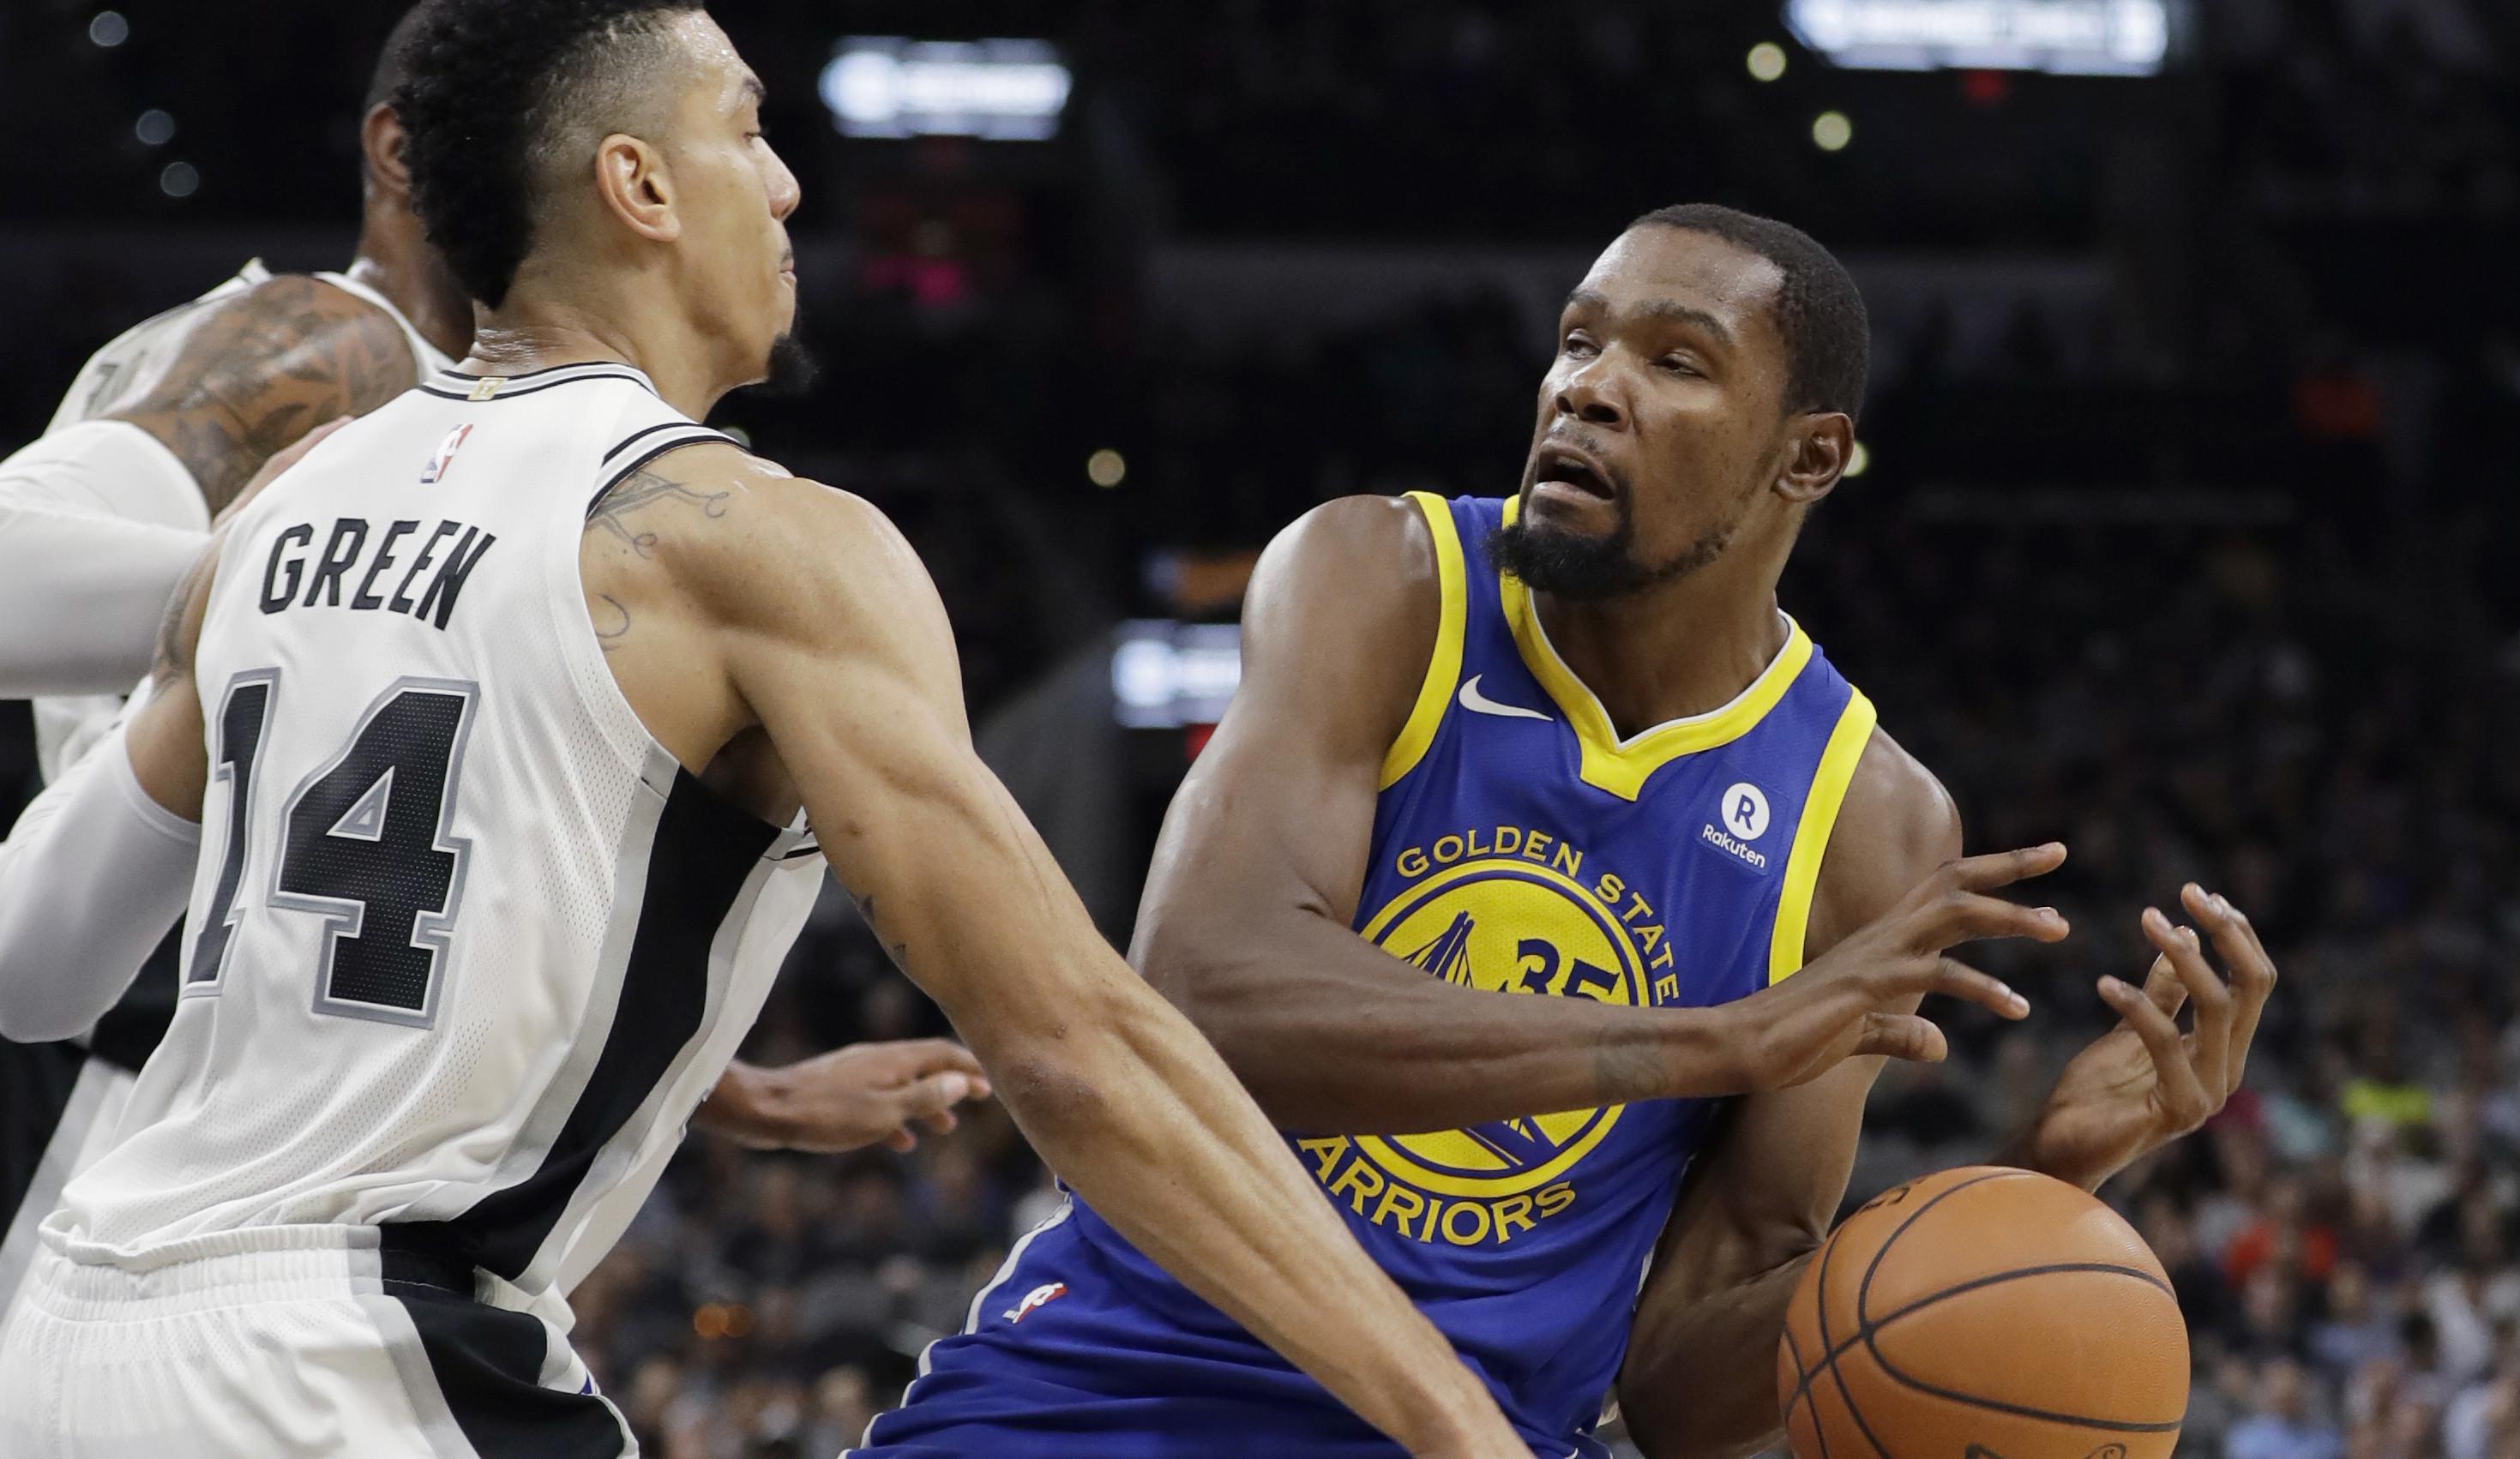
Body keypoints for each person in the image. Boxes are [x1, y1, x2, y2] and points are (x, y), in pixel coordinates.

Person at [0, 2, 1524, 1455]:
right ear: (639, 185)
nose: (791, 184)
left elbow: (39, 958)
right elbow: (1075, 1048)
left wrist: (722, 1090)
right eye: (749, 129)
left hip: (67, 1327)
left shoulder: (292, 501)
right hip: (350, 1367)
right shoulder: (746, 536)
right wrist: (1454, 1416)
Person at [863, 205, 2279, 1458]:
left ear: (1809, 458)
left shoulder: (1868, 821)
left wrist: (2020, 1190)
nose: (1587, 389)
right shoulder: (1384, 579)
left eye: (1672, 361)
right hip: (1119, 1387)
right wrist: (1723, 1039)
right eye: (1576, 342)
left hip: (1489, 1432)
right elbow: (1201, 1005)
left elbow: (1679, 1389)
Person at [0, 3, 984, 1324]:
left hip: (211, 1121)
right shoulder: (335, 347)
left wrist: (731, 1091)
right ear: (409, 153)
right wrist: (241, 595)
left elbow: (401, 889)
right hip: (113, 1090)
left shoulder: (506, 454)